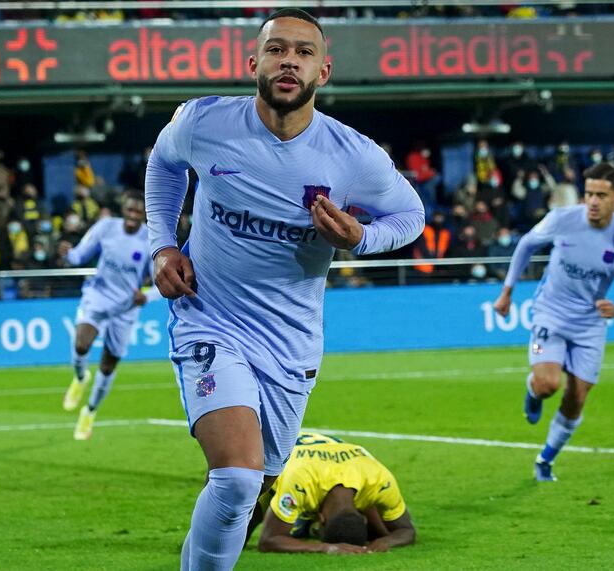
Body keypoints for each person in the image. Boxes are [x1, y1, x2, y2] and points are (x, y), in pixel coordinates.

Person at [144, 8, 424, 570]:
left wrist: (360, 236)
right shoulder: (205, 123)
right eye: (277, 50)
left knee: (252, 491)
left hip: (290, 342)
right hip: (209, 317)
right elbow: (163, 164)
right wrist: (161, 244)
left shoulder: (354, 155)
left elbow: (410, 216)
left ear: (324, 71)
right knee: (237, 474)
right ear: (254, 64)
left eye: (302, 51)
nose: (288, 59)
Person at [492, 162, 614, 482]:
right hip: (551, 313)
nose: (592, 201)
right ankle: (532, 392)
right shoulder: (563, 218)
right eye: (588, 193)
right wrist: (507, 291)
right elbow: (526, 245)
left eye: (601, 195)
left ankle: (545, 459)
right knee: (548, 385)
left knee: (576, 398)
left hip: (590, 325)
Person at [60, 191, 158, 440]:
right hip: (98, 296)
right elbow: (79, 256)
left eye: (138, 211)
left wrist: (147, 296)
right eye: (130, 209)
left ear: (144, 214)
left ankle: (89, 412)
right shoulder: (105, 227)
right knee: (81, 343)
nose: (133, 215)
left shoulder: (150, 240)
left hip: (126, 307)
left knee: (108, 363)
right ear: (123, 209)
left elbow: (160, 282)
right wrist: (67, 253)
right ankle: (81, 377)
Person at [251, 431, 415, 554]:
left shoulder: (379, 479)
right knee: (233, 536)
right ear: (320, 519)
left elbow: (407, 532)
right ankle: (305, 522)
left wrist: (384, 542)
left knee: (376, 527)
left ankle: (305, 522)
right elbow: (267, 541)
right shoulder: (300, 482)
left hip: (319, 463)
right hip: (264, 455)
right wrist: (327, 548)